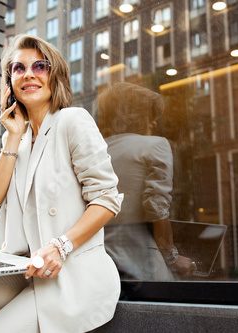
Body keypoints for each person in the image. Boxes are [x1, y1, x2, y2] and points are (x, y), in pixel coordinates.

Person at [0, 34, 123, 333]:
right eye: (18, 68)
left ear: (55, 77)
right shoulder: (15, 138)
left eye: (39, 66)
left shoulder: (72, 121)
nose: (28, 74)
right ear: (10, 84)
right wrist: (13, 136)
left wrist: (60, 245)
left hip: (69, 275)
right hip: (23, 271)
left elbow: (106, 198)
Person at [98, 82, 195, 281]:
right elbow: (156, 207)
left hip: (100, 265)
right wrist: (172, 258)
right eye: (151, 116)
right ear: (138, 116)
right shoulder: (156, 145)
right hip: (143, 264)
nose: (154, 123)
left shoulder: (96, 151)